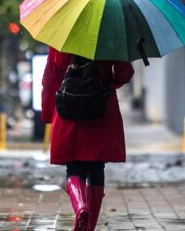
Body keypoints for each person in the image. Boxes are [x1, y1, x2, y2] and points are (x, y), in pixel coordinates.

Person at [41, 47, 134, 231]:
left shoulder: (61, 39)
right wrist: (109, 82)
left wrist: (47, 112)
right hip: (100, 108)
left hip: (69, 109)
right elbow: (124, 73)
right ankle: (88, 227)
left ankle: (80, 206)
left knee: (74, 167)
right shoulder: (109, 36)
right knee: (96, 169)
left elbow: (51, 76)